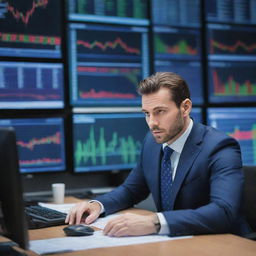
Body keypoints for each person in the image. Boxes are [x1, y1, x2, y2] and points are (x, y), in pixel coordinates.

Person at [66, 72, 249, 237]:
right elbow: (131, 190)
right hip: (175, 242)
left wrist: (155, 222)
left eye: (160, 112)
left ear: (185, 108)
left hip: (221, 244)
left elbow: (223, 212)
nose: (152, 123)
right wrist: (97, 205)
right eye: (147, 114)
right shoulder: (152, 142)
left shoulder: (220, 147)